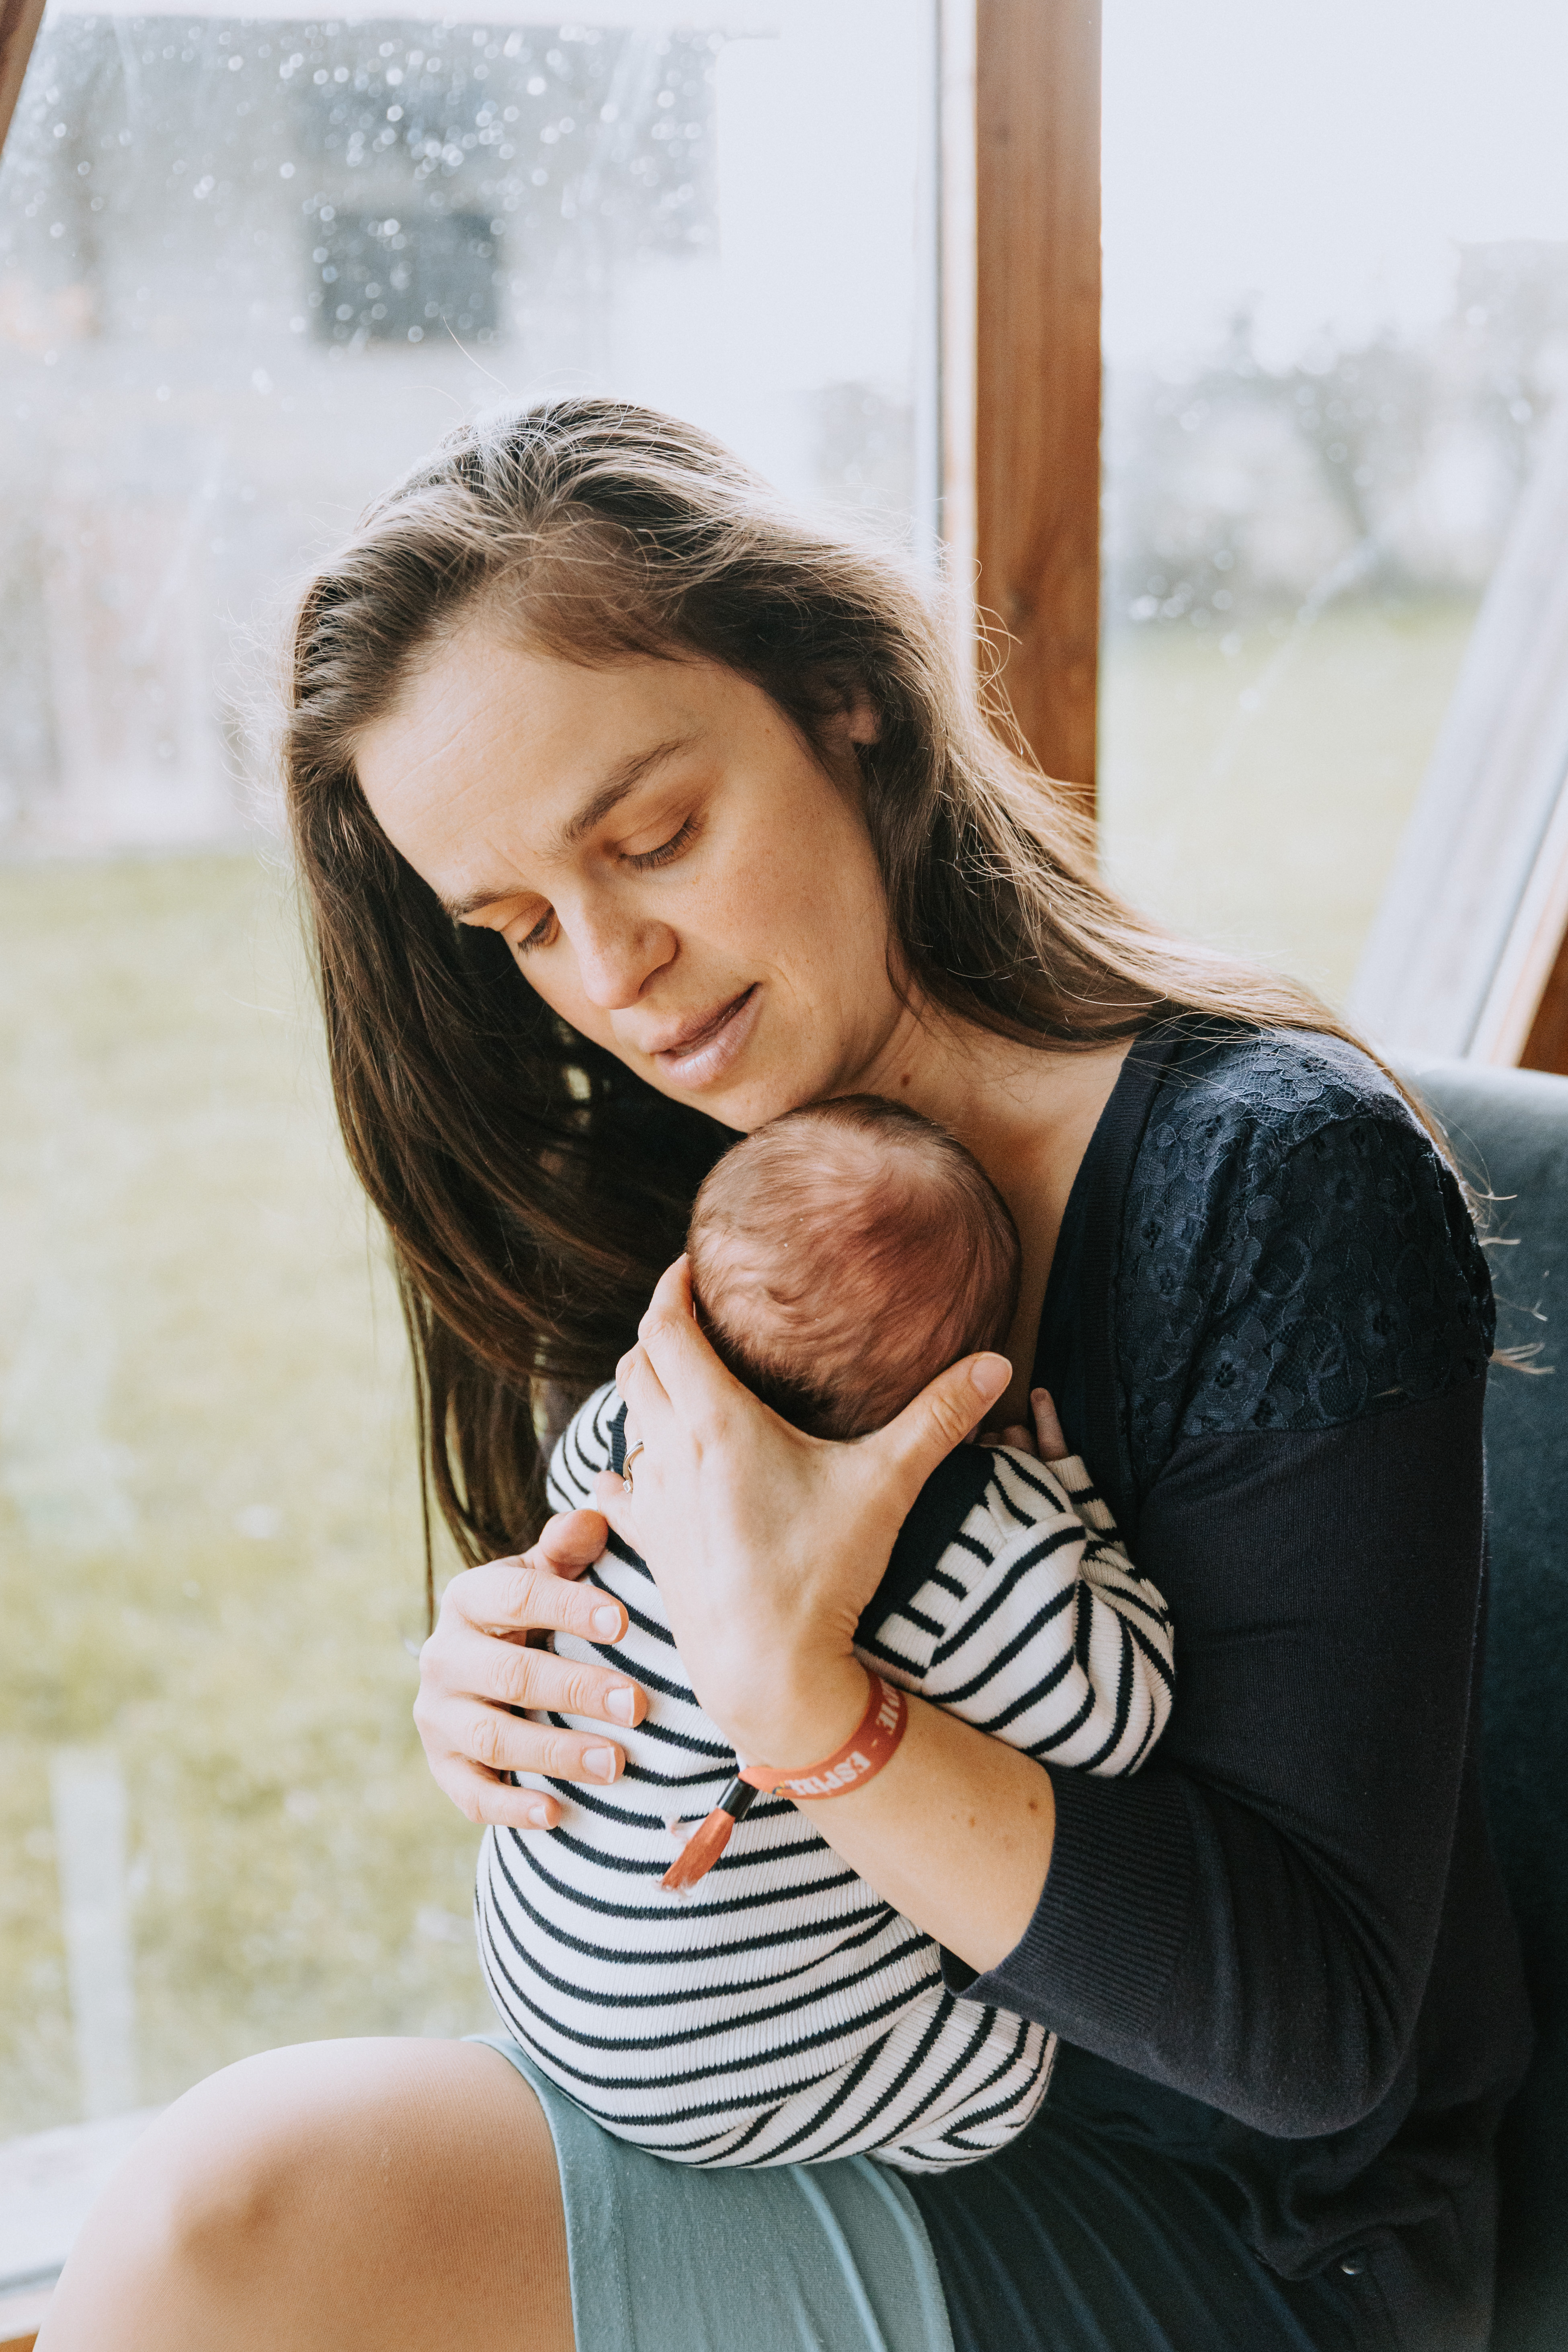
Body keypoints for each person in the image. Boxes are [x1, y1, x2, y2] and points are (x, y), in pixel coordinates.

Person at [38, 398, 1531, 2352]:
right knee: (235, 2212)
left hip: (1237, 2227)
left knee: (240, 2216)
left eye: (653, 837)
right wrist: (526, 1685)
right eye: (519, 925)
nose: (613, 972)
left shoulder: (1274, 1179)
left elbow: (1315, 2038)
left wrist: (805, 1705)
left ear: (844, 700)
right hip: (832, 2090)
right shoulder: (703, 1189)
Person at [477, 1097, 1174, 2172]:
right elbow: (1121, 1716)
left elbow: (562, 1521)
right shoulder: (969, 1536)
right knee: (1004, 2073)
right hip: (703, 2077)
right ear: (968, 1377)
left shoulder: (632, 1426)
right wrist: (1070, 1501)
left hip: (537, 1961)